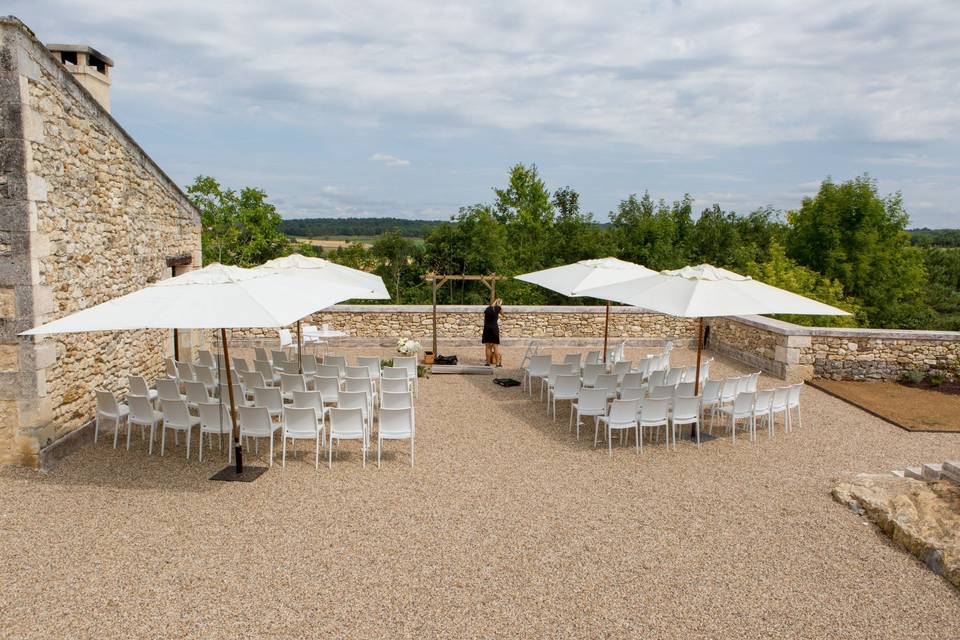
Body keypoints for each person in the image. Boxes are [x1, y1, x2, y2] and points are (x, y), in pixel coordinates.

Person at [482, 298, 504, 367]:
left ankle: (488, 363)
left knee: (487, 347)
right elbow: (503, 314)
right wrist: (500, 306)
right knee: (495, 346)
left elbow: (484, 318)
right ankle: (497, 363)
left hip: (486, 328)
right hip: (494, 328)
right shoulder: (498, 308)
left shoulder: (487, 308)